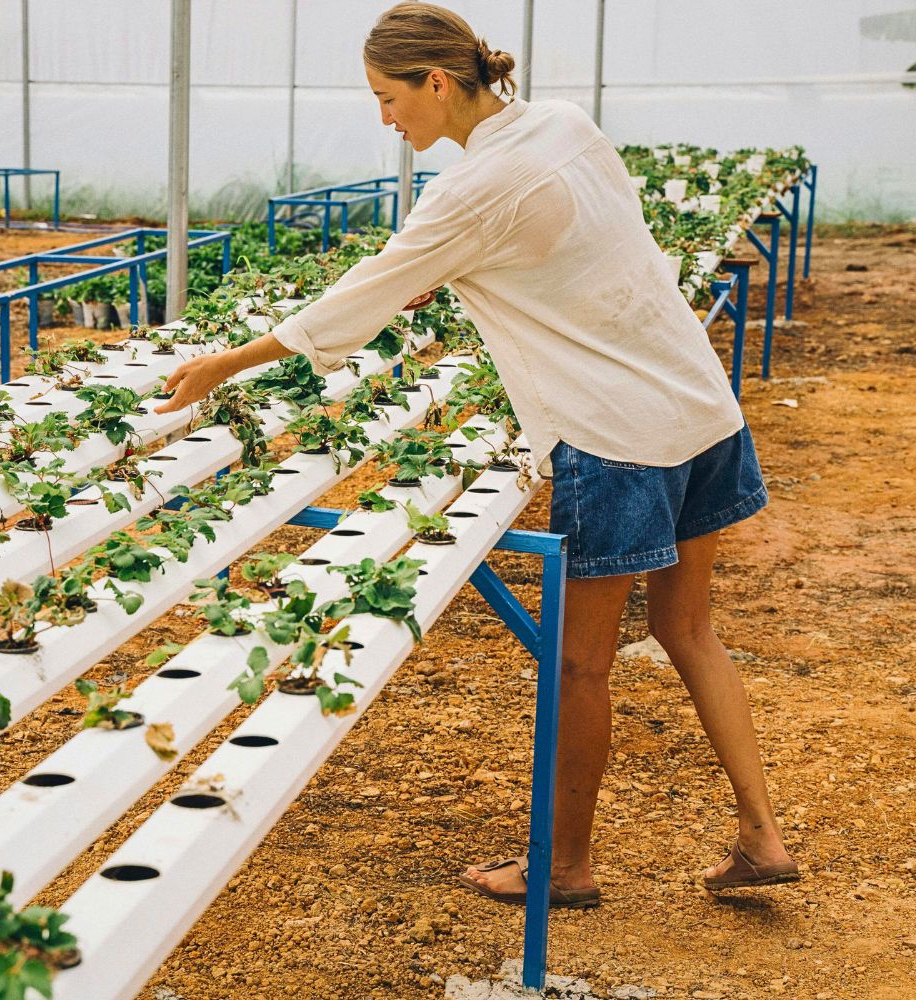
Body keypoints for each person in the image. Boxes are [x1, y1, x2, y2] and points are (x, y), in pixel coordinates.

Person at [155, 2, 800, 908]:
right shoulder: (564, 126)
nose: (386, 119)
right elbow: (558, 246)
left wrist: (227, 362)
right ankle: (761, 836)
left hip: (616, 437)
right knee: (689, 631)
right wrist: (449, 273)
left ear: (439, 83)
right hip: (696, 406)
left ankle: (563, 868)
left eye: (389, 98)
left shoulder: (463, 193)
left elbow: (354, 300)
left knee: (580, 665)